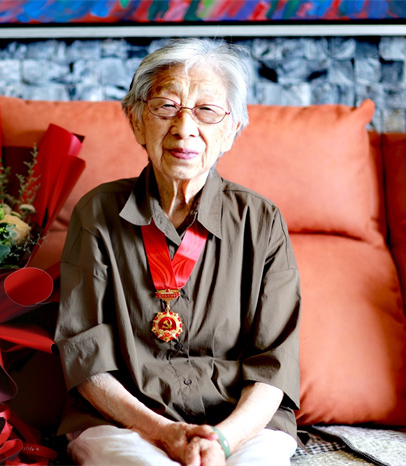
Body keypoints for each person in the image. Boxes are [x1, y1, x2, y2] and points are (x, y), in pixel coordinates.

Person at [54, 38, 301, 466]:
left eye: (206, 110)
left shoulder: (262, 221)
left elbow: (274, 365)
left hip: (242, 423)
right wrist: (163, 432)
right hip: (123, 419)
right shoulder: (97, 212)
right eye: (166, 107)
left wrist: (222, 440)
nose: (184, 127)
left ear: (231, 130)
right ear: (137, 121)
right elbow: (85, 357)